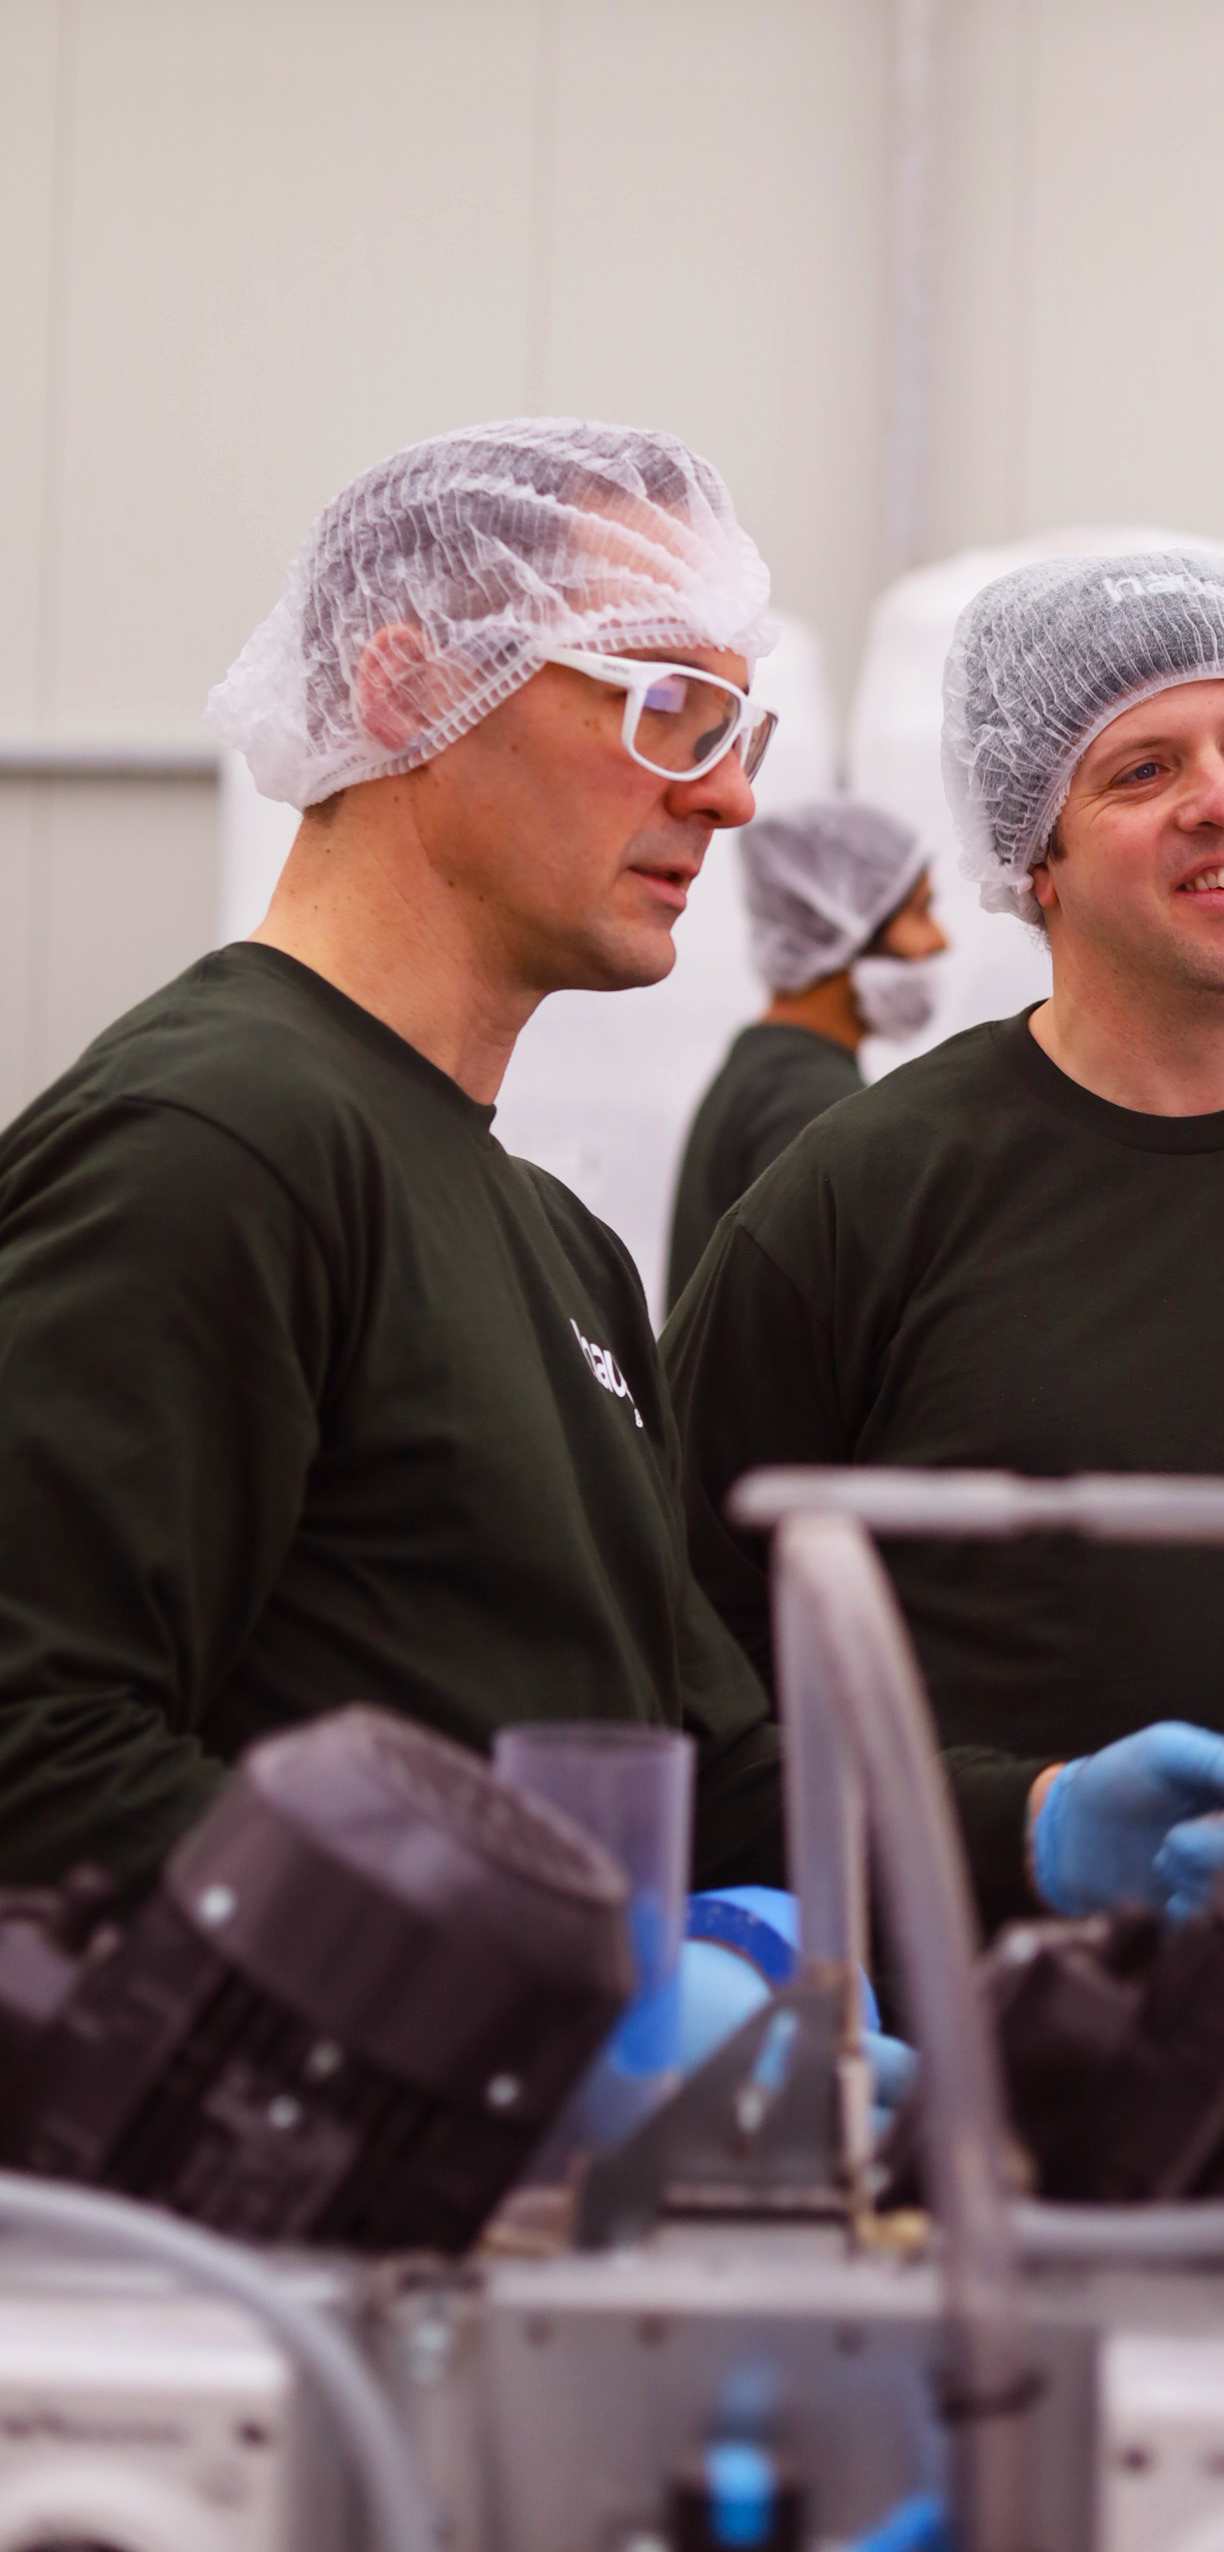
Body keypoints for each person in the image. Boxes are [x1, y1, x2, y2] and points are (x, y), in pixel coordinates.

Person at [663, 550, 1224, 1933]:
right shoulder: (861, 1194)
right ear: (1039, 853)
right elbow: (679, 1694)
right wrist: (1014, 1823)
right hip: (998, 2081)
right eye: (1142, 770)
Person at [0, 419, 798, 1893]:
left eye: (740, 734)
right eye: (667, 708)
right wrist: (510, 1972)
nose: (728, 795)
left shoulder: (563, 1246)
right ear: (412, 685)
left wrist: (1047, 1826)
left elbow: (712, 1775)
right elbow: (34, 1744)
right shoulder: (216, 1143)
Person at [666, 800, 949, 1306]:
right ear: (842, 922)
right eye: (920, 911)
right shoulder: (813, 1105)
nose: (940, 940)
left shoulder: (762, 1073)